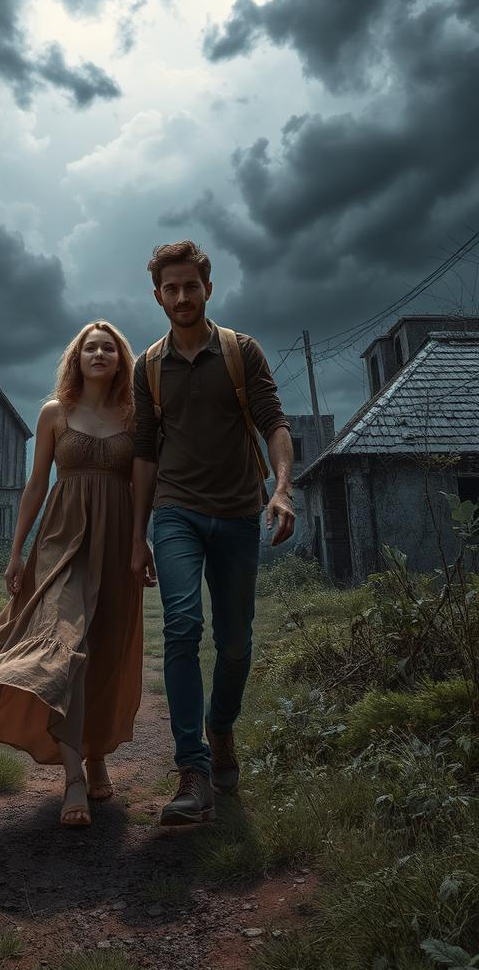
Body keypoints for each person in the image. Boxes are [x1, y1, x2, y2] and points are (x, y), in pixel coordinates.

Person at [0, 321, 143, 828]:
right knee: (66, 650)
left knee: (106, 652)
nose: (101, 353)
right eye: (92, 347)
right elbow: (35, 486)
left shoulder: (133, 417)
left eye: (110, 348)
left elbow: (141, 486)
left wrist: (139, 542)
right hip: (62, 545)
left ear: (121, 359)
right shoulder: (53, 414)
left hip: (113, 547)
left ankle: (97, 755)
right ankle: (73, 780)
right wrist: (17, 552)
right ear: (77, 357)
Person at [131, 241, 294, 826]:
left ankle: (221, 726)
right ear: (157, 296)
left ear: (207, 288)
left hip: (238, 512)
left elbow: (275, 423)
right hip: (175, 511)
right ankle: (192, 769)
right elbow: (145, 455)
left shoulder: (240, 352)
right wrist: (137, 534)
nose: (180, 296)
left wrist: (281, 489)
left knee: (234, 641)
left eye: (190, 286)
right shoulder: (148, 366)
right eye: (169, 288)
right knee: (182, 625)